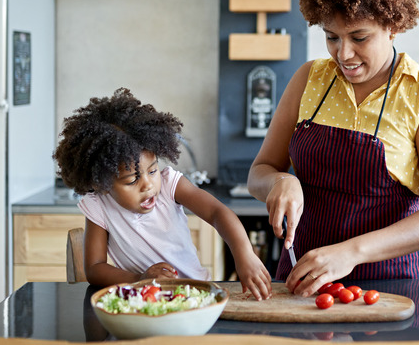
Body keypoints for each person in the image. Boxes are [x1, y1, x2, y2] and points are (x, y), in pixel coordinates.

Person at [247, 0, 419, 296]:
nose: (343, 54)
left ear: (393, 25)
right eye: (331, 37)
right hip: (305, 280)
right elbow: (259, 172)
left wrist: (351, 253)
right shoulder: (309, 79)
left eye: (359, 37)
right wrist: (279, 181)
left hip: (395, 287)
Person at [54, 88, 272, 300]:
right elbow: (94, 268)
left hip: (197, 296)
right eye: (131, 180)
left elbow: (217, 212)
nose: (148, 185)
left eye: (153, 170)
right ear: (102, 183)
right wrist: (140, 279)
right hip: (142, 302)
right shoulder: (99, 206)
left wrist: (244, 254)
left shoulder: (169, 185)